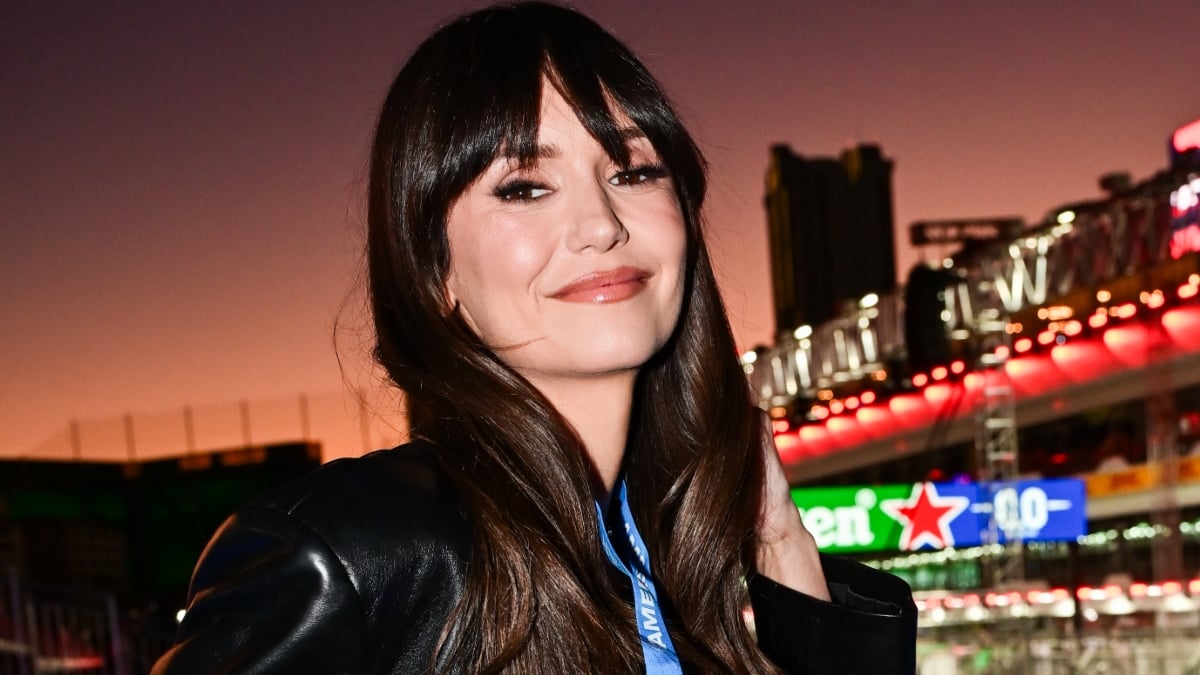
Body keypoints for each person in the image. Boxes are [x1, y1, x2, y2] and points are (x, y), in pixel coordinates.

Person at [152, 3, 916, 673]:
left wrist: (783, 549)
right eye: (524, 187)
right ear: (435, 270)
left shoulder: (663, 554)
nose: (601, 227)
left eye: (633, 172)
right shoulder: (355, 555)